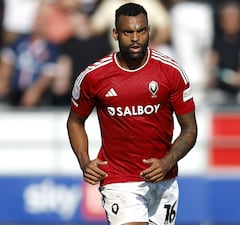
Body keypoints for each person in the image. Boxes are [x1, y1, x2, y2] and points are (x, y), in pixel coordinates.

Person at [66, 3, 197, 225]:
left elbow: (190, 129)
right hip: (119, 179)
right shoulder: (94, 77)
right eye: (128, 32)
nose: (135, 38)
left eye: (141, 31)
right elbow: (75, 122)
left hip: (164, 179)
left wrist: (167, 162)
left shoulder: (171, 72)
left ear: (149, 31)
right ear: (116, 34)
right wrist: (85, 162)